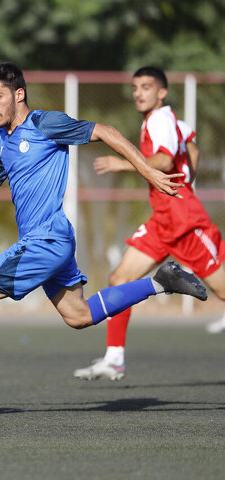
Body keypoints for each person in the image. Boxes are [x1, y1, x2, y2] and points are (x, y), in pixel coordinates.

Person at [0, 63, 207, 407]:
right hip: (52, 242)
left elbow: (106, 131)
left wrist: (146, 170)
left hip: (46, 240)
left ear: (19, 94)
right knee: (79, 316)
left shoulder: (45, 124)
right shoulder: (3, 140)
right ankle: (161, 282)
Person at [73, 67, 225, 380]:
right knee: (120, 279)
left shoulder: (160, 119)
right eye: (135, 87)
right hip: (162, 222)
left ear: (162, 92)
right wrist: (187, 180)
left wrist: (122, 162)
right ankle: (114, 358)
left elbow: (165, 160)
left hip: (185, 223)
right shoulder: (167, 120)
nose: (138, 93)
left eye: (146, 86)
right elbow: (191, 147)